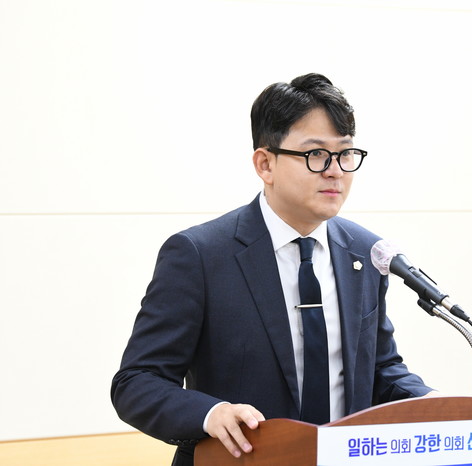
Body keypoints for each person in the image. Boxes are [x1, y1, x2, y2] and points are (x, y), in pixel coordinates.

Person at [111, 73, 433, 466]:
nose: (335, 171)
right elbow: (137, 382)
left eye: (346, 154)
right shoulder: (200, 255)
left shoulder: (366, 252)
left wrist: (439, 405)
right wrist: (211, 414)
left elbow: (381, 369)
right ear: (265, 163)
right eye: (317, 154)